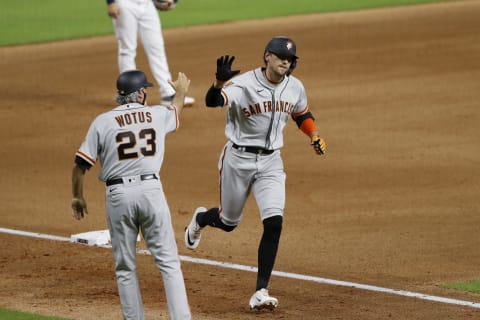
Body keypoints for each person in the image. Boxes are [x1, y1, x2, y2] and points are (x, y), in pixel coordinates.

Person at [184, 36, 327, 310]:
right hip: (237, 159)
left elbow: (301, 114)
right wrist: (218, 84)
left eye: (290, 58)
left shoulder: (295, 87)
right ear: (266, 56)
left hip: (271, 162)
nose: (285, 61)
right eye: (280, 56)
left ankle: (261, 290)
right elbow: (213, 102)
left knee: (274, 223)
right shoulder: (243, 84)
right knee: (228, 222)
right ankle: (202, 218)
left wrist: (314, 135)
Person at [71, 69, 192, 320]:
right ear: (141, 94)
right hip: (151, 192)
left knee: (125, 267)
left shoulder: (102, 121)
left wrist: (77, 196)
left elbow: (80, 165)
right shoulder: (157, 114)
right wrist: (180, 92)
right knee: (169, 263)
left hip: (118, 195)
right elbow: (177, 109)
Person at [106, 0, 195, 106]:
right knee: (127, 49)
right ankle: (130, 95)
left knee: (157, 48)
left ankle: (168, 94)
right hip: (124, 4)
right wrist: (111, 2)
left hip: (147, 4)